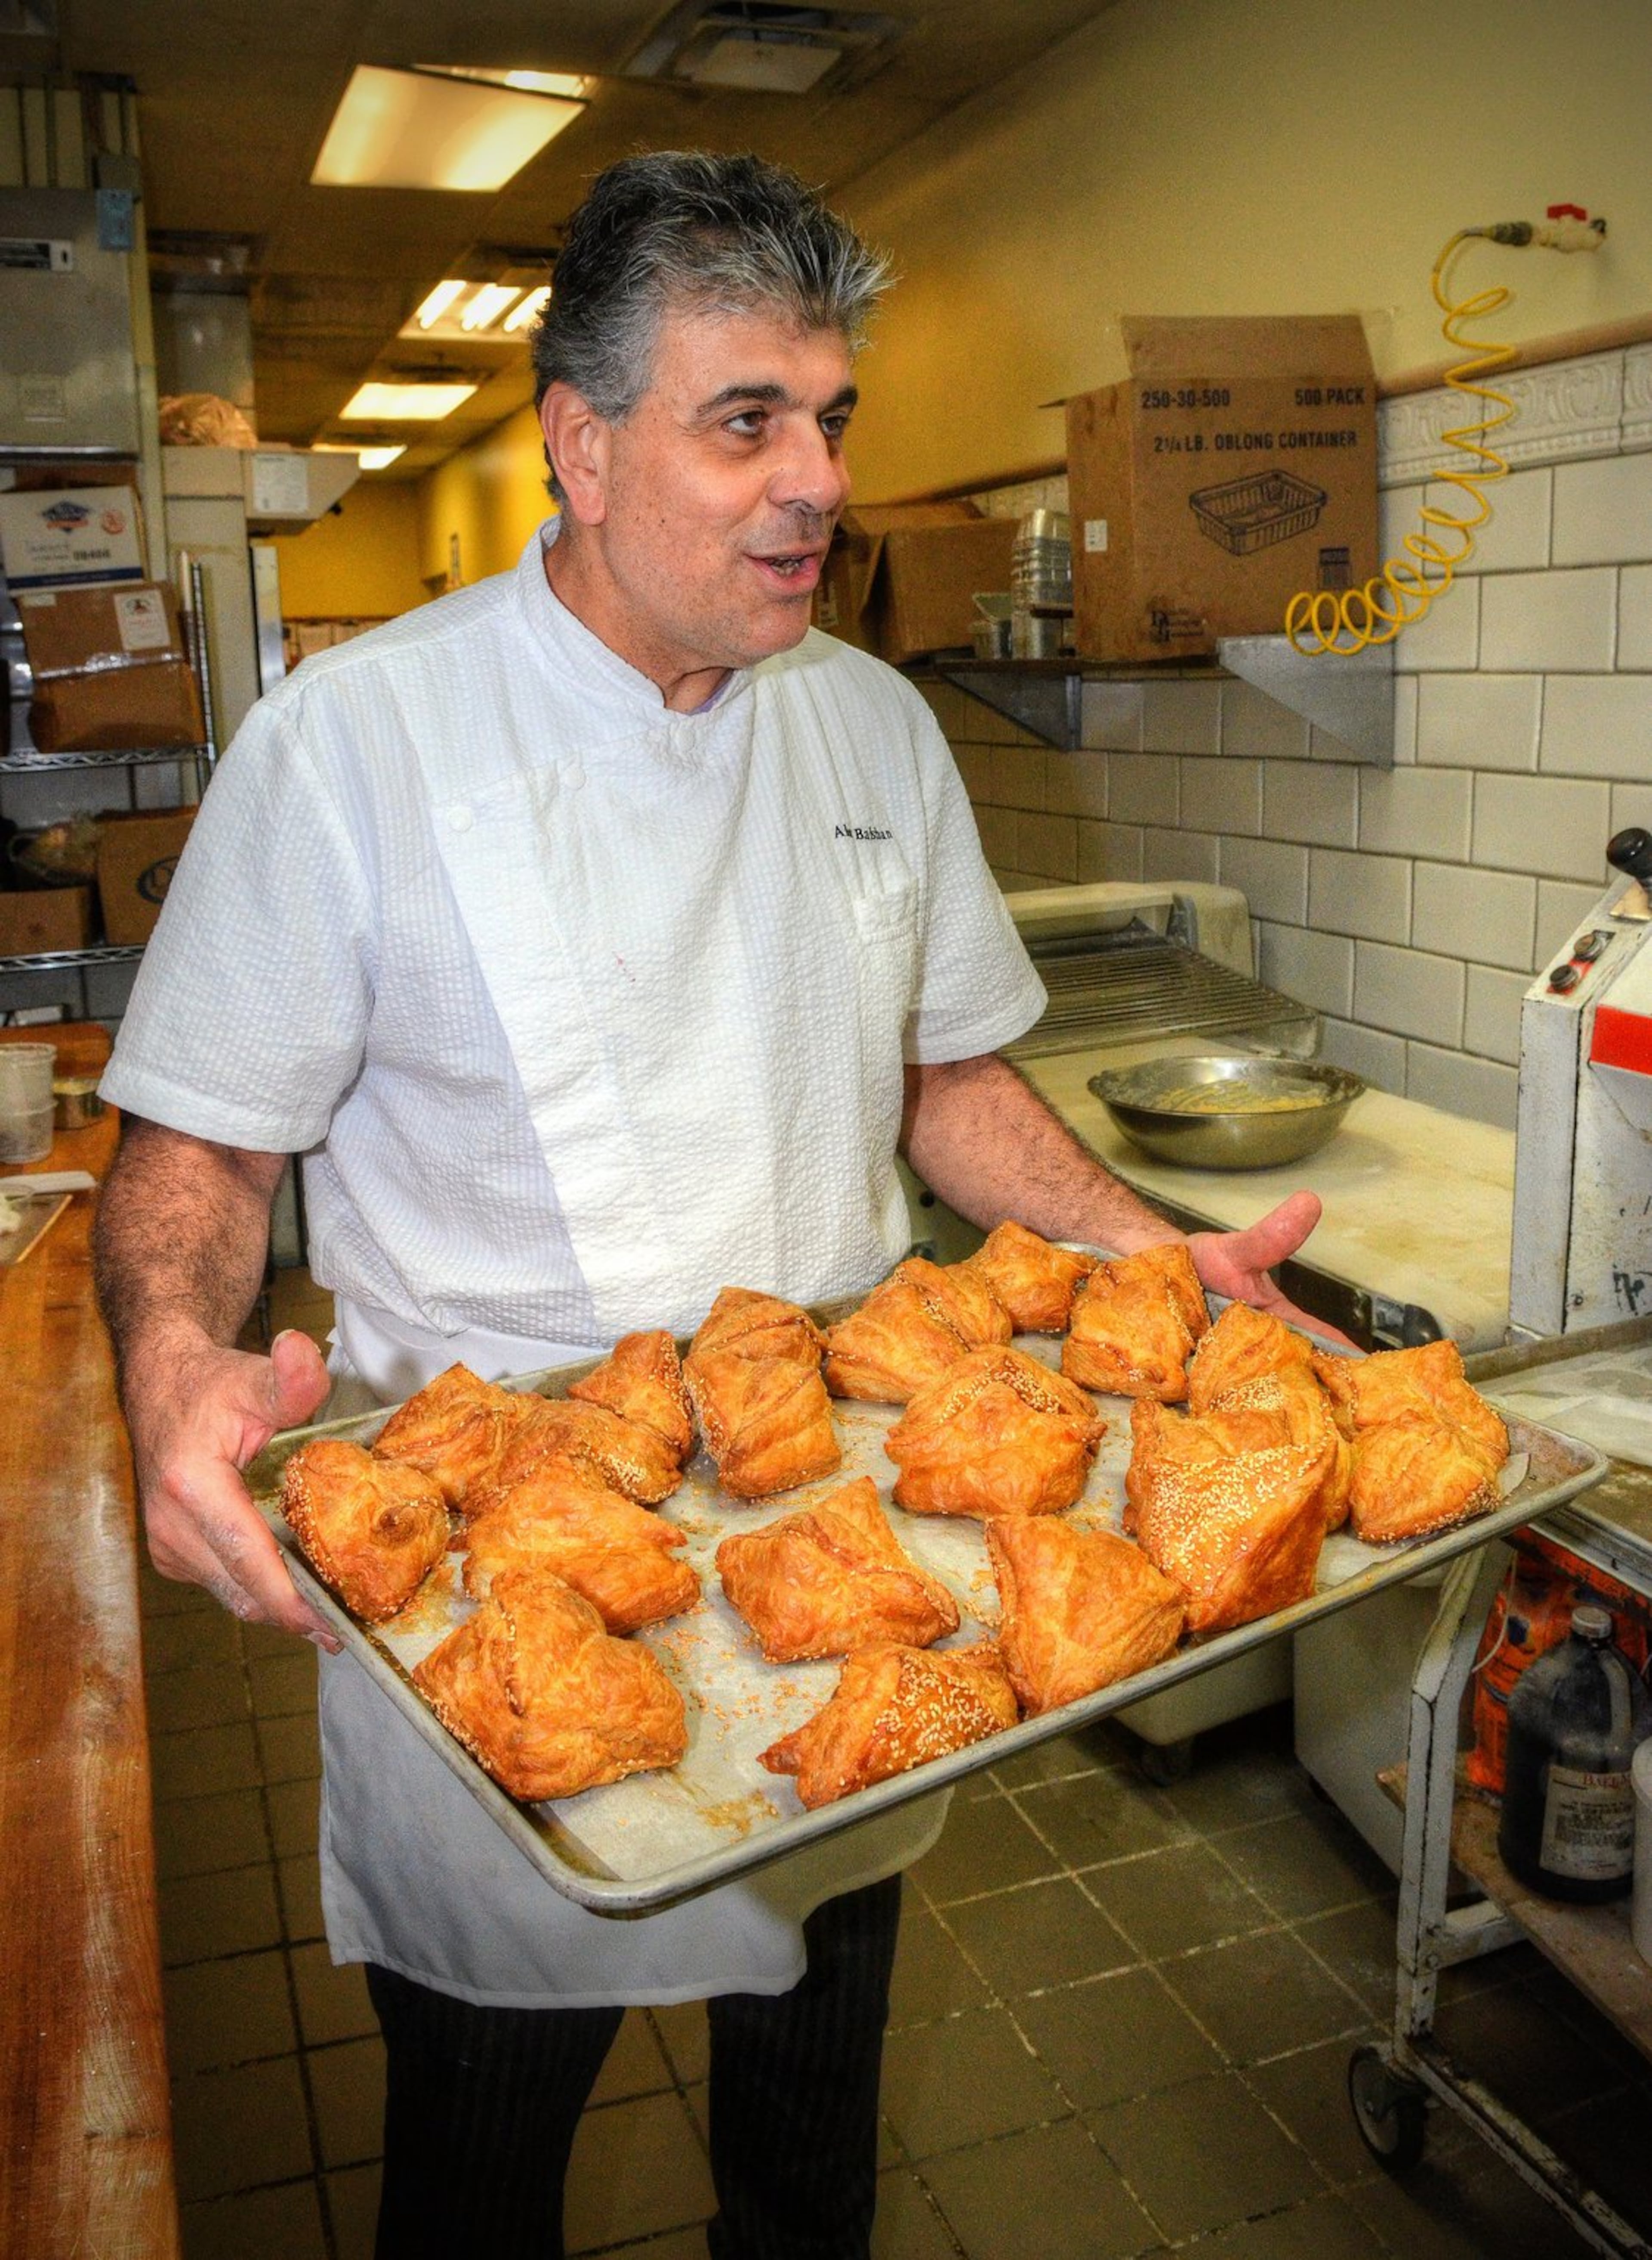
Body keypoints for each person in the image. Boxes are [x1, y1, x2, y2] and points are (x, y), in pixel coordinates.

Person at [95, 151, 1331, 2259]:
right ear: (581, 445)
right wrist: (176, 1359)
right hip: (510, 1610)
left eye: (831, 417)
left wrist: (1146, 1252)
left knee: (808, 2149)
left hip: (848, 1570)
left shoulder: (871, 727)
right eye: (743, 418)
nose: (813, 478)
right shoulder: (355, 745)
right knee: (477, 2178)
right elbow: (202, 1151)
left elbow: (946, 1080)